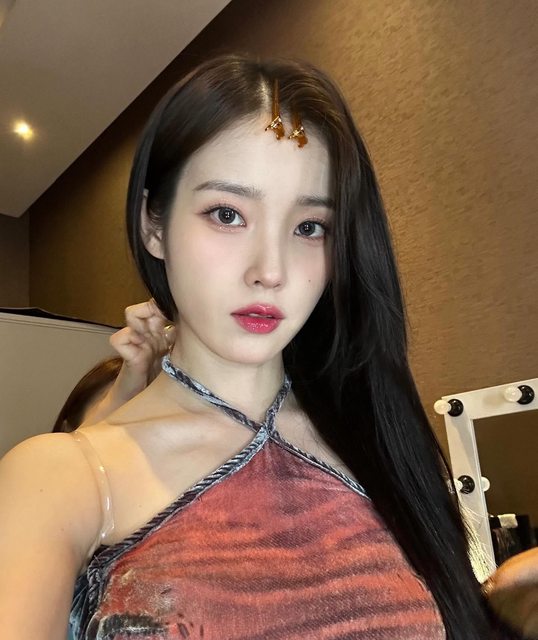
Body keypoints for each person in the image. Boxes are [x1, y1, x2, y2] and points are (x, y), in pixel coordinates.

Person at [0, 54, 533, 640]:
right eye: (227, 214)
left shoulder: (379, 438)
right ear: (154, 224)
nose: (271, 271)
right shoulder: (63, 480)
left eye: (309, 227)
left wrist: (506, 611)